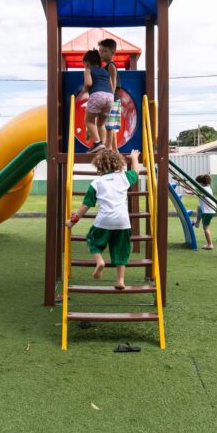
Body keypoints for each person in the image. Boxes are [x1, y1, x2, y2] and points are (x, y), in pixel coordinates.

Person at [65, 149, 141, 290]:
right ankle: (120, 280)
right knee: (121, 250)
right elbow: (136, 172)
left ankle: (100, 261)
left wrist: (73, 220)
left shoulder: (97, 183)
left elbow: (86, 205)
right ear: (118, 163)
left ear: (99, 166)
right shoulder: (124, 177)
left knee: (93, 240)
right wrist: (134, 158)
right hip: (122, 222)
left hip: (104, 221)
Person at [77, 49, 112, 153]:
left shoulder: (88, 70)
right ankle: (103, 145)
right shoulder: (106, 72)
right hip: (110, 97)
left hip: (97, 95)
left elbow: (88, 83)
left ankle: (97, 143)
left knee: (89, 121)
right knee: (101, 124)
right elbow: (110, 86)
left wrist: (83, 90)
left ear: (87, 63)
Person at [98, 38, 120, 152]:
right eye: (100, 51)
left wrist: (109, 99)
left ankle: (109, 147)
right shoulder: (107, 66)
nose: (101, 53)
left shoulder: (111, 65)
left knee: (109, 125)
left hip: (112, 99)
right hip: (112, 99)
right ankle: (115, 149)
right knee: (110, 125)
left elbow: (113, 82)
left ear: (112, 52)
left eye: (104, 51)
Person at [193, 174, 216, 250]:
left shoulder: (201, 188)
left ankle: (210, 244)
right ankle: (197, 223)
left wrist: (185, 189)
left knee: (206, 228)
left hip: (208, 211)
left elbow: (193, 191)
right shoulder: (208, 187)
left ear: (200, 182)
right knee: (199, 207)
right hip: (211, 210)